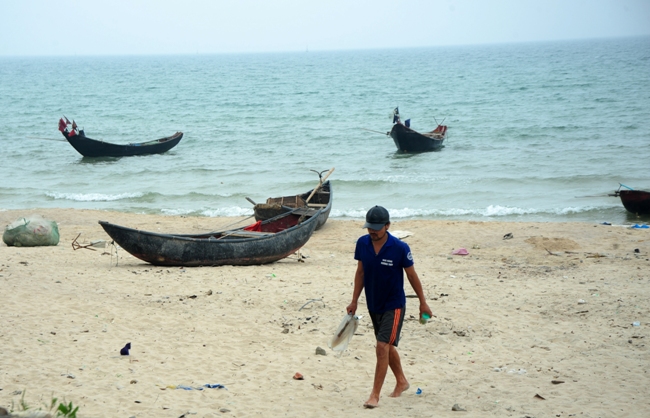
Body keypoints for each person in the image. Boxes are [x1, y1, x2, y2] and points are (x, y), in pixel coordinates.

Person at [346, 205, 433, 409]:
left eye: (377, 227)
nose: (372, 231)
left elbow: (412, 275)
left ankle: (374, 395)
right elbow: (360, 273)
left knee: (381, 346)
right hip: (373, 302)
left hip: (394, 304)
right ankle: (402, 381)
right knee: (386, 345)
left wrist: (423, 302)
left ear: (387, 225)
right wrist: (354, 300)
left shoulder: (400, 248)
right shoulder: (362, 243)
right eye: (370, 227)